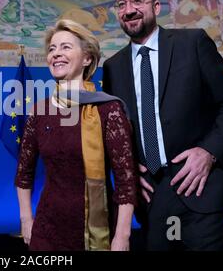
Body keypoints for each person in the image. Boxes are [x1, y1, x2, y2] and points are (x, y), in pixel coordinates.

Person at [102, 0, 223, 250]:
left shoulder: (192, 43)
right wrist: (129, 169)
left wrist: (208, 151)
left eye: (138, 1)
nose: (129, 9)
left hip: (201, 191)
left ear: (156, 6)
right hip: (151, 199)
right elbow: (116, 134)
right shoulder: (112, 67)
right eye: (121, 4)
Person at [15, 19, 137, 251]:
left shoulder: (108, 109)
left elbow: (125, 182)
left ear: (87, 58)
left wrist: (122, 236)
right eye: (52, 49)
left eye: (66, 47)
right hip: (46, 230)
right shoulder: (40, 111)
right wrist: (26, 219)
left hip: (95, 232)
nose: (56, 54)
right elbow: (23, 173)